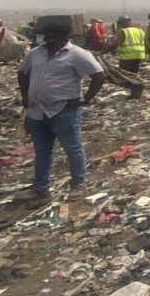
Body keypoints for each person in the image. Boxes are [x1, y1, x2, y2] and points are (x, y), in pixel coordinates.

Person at [17, 21, 105, 200]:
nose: (40, 38)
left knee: (73, 149)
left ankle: (78, 185)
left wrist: (85, 99)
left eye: (44, 34)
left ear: (56, 35)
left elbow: (99, 75)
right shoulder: (35, 53)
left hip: (63, 110)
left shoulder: (77, 54)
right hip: (36, 111)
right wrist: (25, 95)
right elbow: (22, 72)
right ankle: (40, 188)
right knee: (42, 151)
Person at [106, 16, 146, 99]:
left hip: (127, 57)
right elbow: (147, 43)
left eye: (119, 24)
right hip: (138, 56)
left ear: (123, 23)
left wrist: (101, 52)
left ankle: (138, 86)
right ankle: (135, 94)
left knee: (122, 76)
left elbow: (115, 44)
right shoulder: (139, 30)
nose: (119, 26)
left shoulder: (123, 31)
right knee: (133, 75)